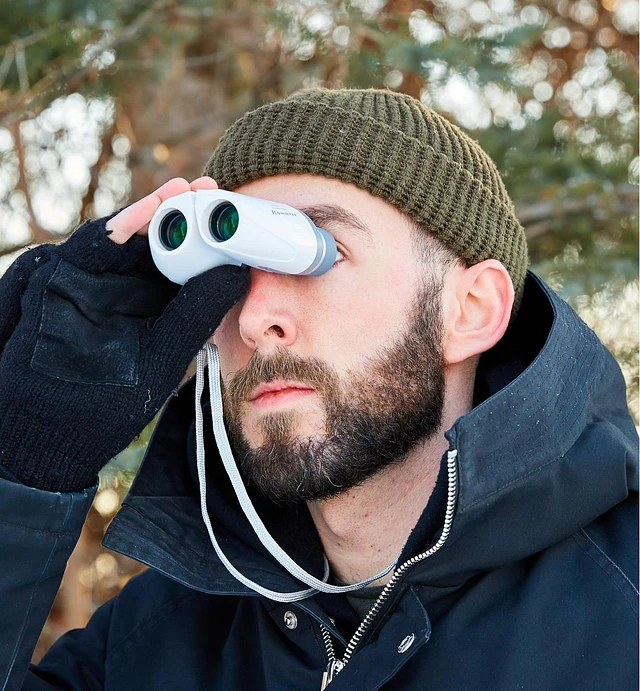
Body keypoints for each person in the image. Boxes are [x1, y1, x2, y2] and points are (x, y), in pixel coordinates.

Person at [0, 88, 637, 691]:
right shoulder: (154, 642)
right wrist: (23, 464)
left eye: (316, 252)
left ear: (471, 310)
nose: (253, 320)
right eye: (229, 273)